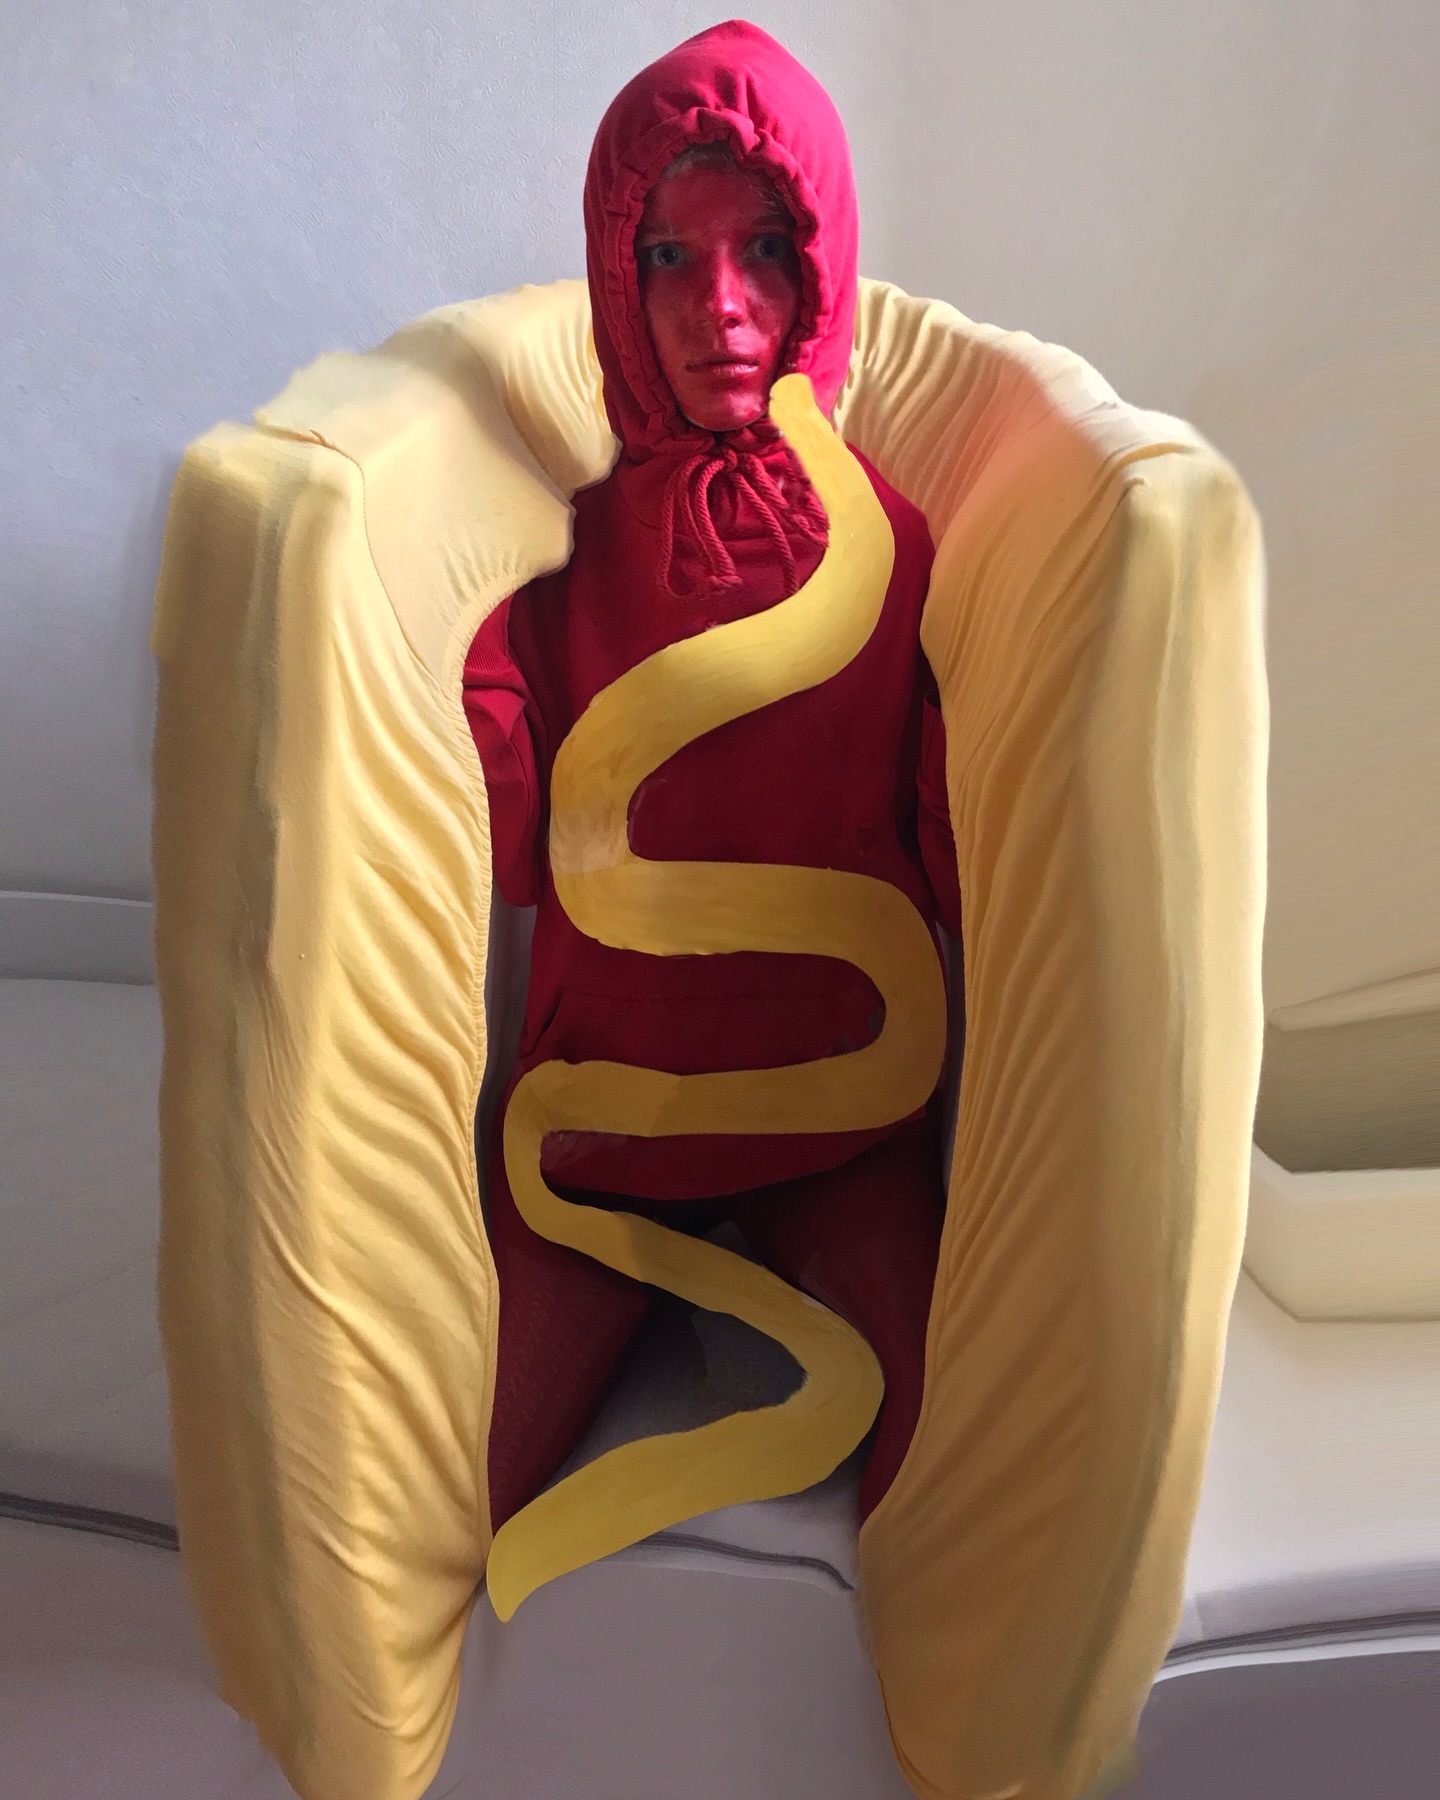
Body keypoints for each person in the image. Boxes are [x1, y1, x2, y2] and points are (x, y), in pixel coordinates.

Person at [463, 18, 963, 1537]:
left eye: (765, 250)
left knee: (950, 1488)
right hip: (597, 1138)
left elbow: (961, 862)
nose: (723, 307)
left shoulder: (899, 546)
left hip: (843, 1129)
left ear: (823, 268)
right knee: (444, 1496)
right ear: (617, 283)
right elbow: (505, 849)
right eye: (669, 258)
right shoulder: (554, 547)